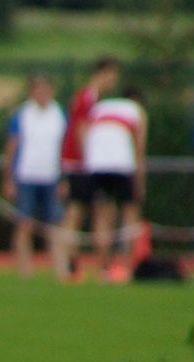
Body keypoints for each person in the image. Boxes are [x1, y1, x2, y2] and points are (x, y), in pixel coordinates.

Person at [1, 73, 69, 278]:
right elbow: (11, 147)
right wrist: (8, 178)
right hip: (26, 175)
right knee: (24, 224)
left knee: (55, 225)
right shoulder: (22, 114)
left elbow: (64, 148)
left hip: (51, 176)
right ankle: (24, 271)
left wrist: (64, 178)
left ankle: (61, 270)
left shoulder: (59, 114)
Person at [60, 57, 120, 279]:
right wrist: (91, 162)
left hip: (80, 164)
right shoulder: (87, 98)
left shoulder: (90, 98)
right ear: (102, 73)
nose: (113, 81)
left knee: (83, 212)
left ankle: (76, 267)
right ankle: (86, 266)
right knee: (90, 213)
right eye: (112, 76)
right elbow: (81, 130)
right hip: (83, 165)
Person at [83, 87, 146, 283]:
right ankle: (129, 268)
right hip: (121, 164)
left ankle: (104, 270)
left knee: (102, 217)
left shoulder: (100, 107)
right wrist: (140, 181)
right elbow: (139, 147)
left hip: (96, 164)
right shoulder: (136, 110)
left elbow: (85, 134)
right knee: (130, 214)